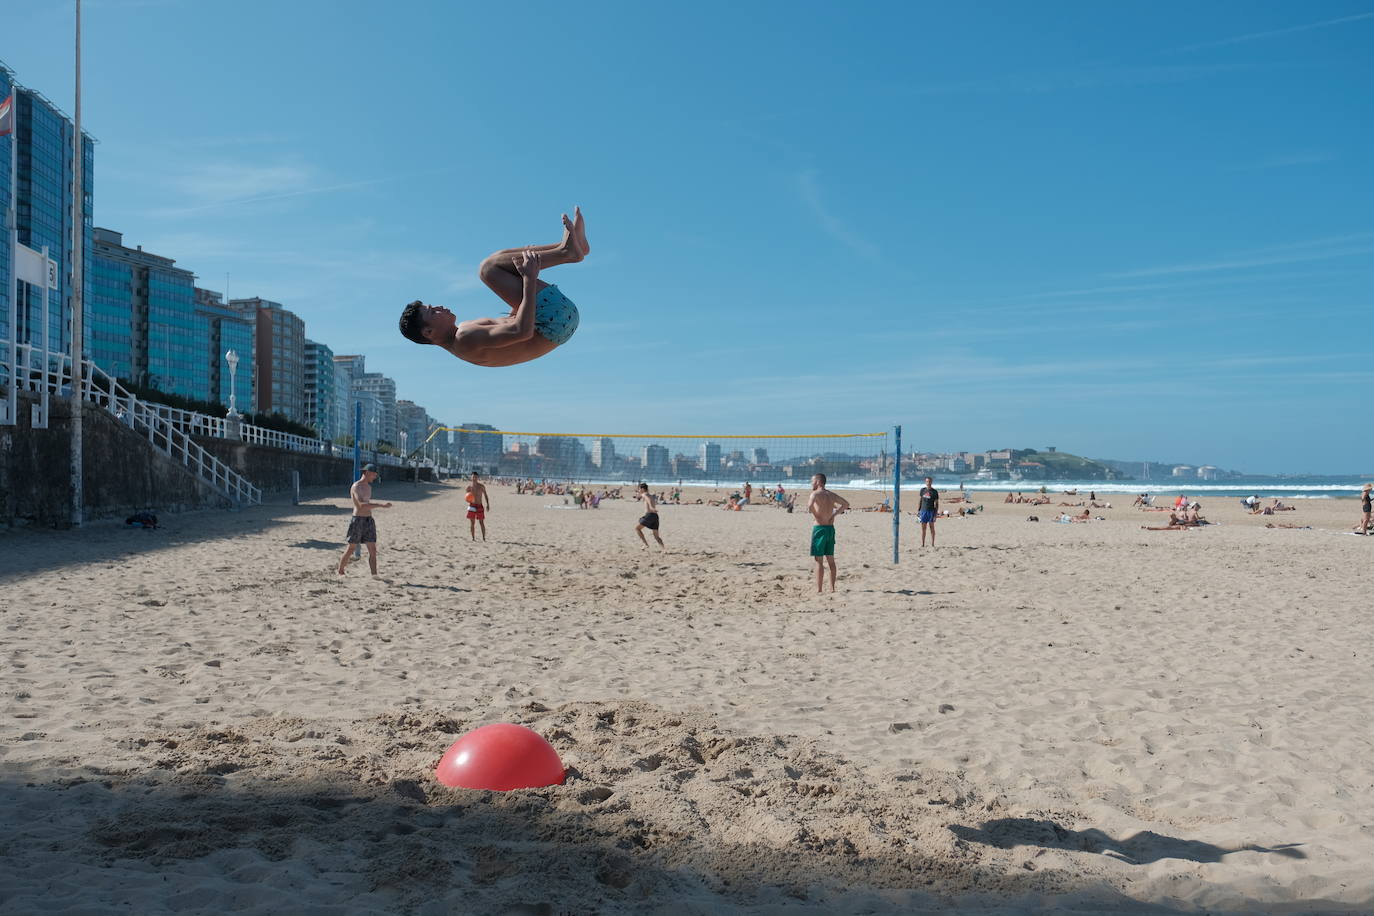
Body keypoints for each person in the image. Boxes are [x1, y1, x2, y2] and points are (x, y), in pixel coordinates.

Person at [397, 208, 590, 367]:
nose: (439, 307)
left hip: (558, 322)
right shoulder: (465, 338)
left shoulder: (463, 333)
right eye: (433, 312)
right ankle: (567, 251)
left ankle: (568, 248)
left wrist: (520, 278)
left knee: (496, 261)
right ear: (428, 332)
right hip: (552, 321)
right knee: (488, 269)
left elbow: (514, 322)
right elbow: (522, 331)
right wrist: (529, 278)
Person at [337, 464, 392, 576]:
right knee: (351, 548)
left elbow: (366, 504)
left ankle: (374, 575)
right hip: (357, 520)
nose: (375, 476)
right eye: (374, 474)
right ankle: (340, 571)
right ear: (367, 473)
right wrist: (381, 505)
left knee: (372, 550)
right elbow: (360, 506)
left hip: (368, 520)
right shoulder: (356, 486)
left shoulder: (369, 487)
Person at [806, 473, 850, 593]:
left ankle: (819, 589)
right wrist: (834, 514)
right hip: (830, 528)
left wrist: (817, 516)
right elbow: (846, 504)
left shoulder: (815, 494)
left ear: (819, 482)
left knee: (818, 560)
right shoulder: (831, 494)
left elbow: (809, 506)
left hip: (819, 528)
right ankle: (832, 588)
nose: (811, 483)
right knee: (831, 559)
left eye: (812, 481)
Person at [634, 483, 665, 550]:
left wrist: (651, 507)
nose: (638, 490)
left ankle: (645, 544)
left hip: (650, 515)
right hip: (655, 516)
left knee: (637, 528)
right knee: (656, 536)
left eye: (639, 489)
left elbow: (648, 499)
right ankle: (664, 549)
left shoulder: (644, 494)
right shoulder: (650, 495)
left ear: (642, 489)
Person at [465, 472, 490, 541]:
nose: (474, 478)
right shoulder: (468, 487)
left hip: (479, 505)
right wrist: (468, 500)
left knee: (481, 522)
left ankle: (484, 538)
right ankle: (473, 538)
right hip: (472, 506)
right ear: (471, 477)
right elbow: (466, 497)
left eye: (475, 477)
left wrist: (487, 504)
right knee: (472, 523)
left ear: (477, 478)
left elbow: (485, 495)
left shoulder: (481, 486)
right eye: (473, 477)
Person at [917, 476, 940, 546]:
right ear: (925, 482)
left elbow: (936, 503)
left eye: (929, 481)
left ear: (931, 482)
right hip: (923, 511)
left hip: (931, 511)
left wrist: (935, 513)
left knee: (931, 527)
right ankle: (923, 544)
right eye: (927, 481)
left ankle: (932, 544)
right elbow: (920, 500)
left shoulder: (934, 492)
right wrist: (918, 510)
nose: (928, 483)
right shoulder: (922, 490)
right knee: (923, 529)